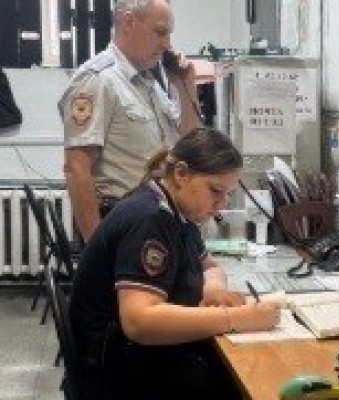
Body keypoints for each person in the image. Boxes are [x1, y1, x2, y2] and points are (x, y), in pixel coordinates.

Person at [69, 127, 280, 399]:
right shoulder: (149, 219)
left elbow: (210, 267)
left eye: (227, 194)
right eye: (215, 190)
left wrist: (213, 289)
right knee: (249, 382)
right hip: (119, 370)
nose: (220, 204)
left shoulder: (178, 214)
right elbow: (139, 321)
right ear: (181, 174)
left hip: (144, 356)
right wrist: (236, 319)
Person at [59, 0, 202, 241]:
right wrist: (98, 246)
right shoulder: (98, 80)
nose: (167, 44)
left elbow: (190, 143)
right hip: (122, 223)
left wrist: (185, 83)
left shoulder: (150, 82)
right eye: (160, 32)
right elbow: (77, 168)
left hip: (158, 220)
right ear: (128, 22)